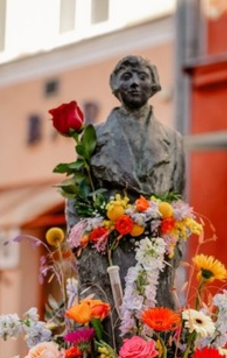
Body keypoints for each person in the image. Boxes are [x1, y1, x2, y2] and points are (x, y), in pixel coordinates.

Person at [67, 55, 185, 306]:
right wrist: (85, 254)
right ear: (114, 86)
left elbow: (179, 201)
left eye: (142, 77)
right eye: (127, 77)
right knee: (107, 334)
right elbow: (76, 201)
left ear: (154, 86)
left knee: (155, 335)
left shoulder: (173, 141)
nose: (134, 83)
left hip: (156, 257)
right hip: (107, 257)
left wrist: (174, 253)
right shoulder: (94, 137)